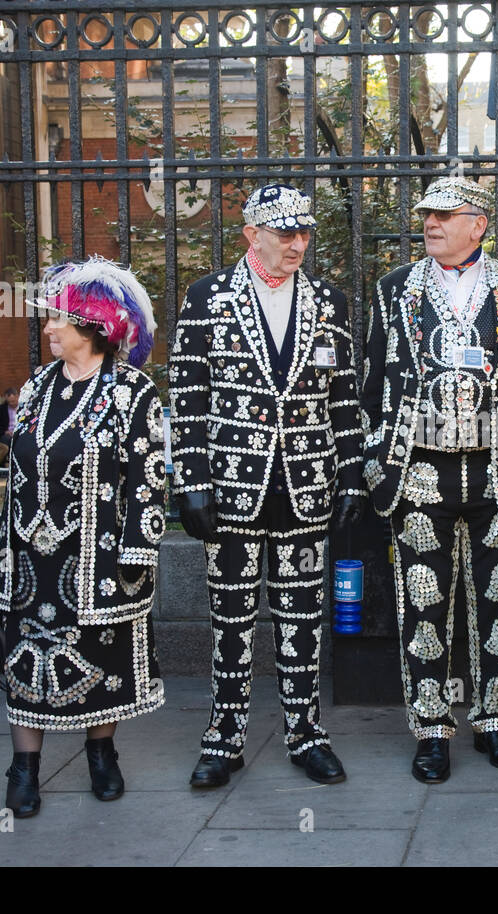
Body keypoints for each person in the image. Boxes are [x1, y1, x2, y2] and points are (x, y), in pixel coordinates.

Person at [169, 183, 366, 789]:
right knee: (230, 618)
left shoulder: (330, 302)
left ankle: (305, 733)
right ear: (252, 234)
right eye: (285, 233)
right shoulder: (206, 297)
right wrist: (192, 481)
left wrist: (352, 477)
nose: (297, 243)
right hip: (230, 488)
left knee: (302, 618)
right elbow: (188, 398)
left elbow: (346, 397)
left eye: (304, 232)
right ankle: (223, 738)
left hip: (305, 487)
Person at [360, 176, 498, 783]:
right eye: (426, 214)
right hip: (421, 469)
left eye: (445, 214)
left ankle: (496, 721)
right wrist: (378, 457)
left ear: (479, 224)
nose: (430, 223)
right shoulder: (394, 289)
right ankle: (431, 728)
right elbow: (372, 380)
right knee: (423, 600)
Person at [0, 255, 166, 817]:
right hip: (30, 559)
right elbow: (18, 469)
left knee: (98, 657)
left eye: (57, 319)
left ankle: (101, 754)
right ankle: (24, 770)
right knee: (24, 660)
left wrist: (138, 551)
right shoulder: (37, 386)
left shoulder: (133, 394)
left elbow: (150, 474)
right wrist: (9, 551)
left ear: (92, 325)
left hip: (99, 558)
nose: (47, 327)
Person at [0, 387, 20, 465]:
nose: (12, 403)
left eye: (13, 401)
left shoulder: (23, 408)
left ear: (17, 397)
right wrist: (6, 431)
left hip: (20, 432)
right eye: (9, 402)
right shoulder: (1, 409)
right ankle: (2, 465)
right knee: (6, 440)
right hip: (7, 434)